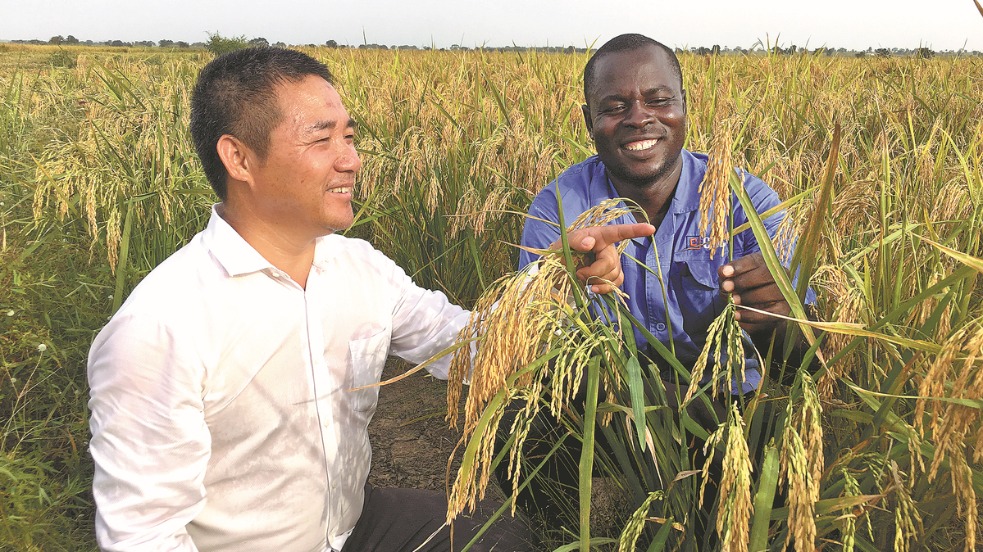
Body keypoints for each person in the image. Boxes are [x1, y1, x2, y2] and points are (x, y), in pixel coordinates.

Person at [86, 47, 654, 551]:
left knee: (499, 538)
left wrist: (557, 277)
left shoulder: (358, 267)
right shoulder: (160, 327)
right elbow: (144, 535)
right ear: (238, 159)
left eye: (350, 137)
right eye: (321, 139)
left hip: (348, 527)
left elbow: (470, 347)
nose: (350, 159)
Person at [507, 33, 817, 534]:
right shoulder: (560, 207)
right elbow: (537, 352)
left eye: (657, 100)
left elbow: (804, 358)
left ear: (683, 107)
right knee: (517, 425)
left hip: (726, 410)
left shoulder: (746, 201)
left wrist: (778, 317)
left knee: (774, 451)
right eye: (615, 107)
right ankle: (563, 534)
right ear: (589, 122)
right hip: (610, 407)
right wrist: (566, 280)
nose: (639, 118)